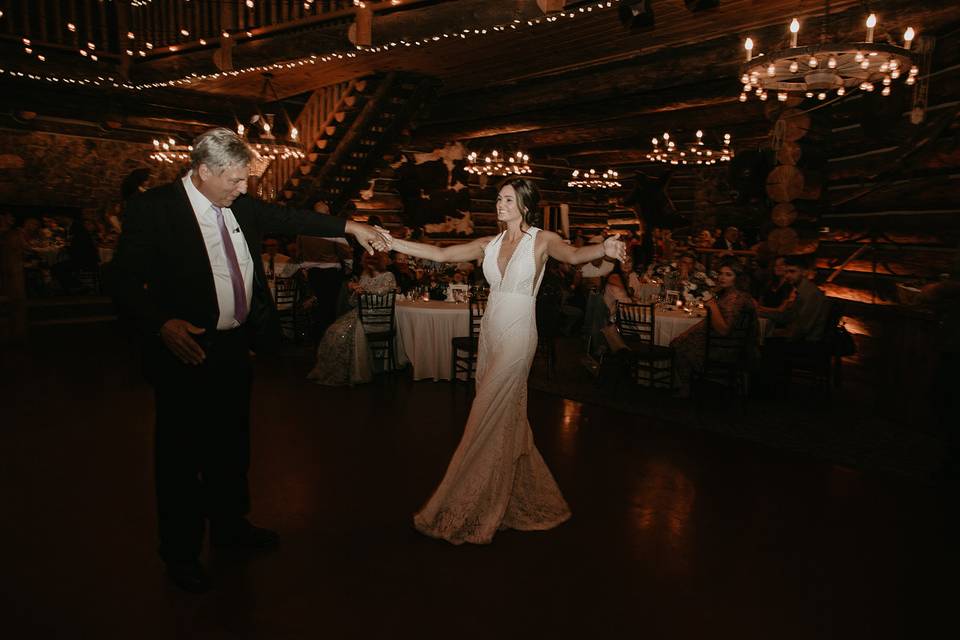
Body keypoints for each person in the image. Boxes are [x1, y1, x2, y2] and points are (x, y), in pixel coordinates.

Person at [109, 127, 387, 593]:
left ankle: (231, 528)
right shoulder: (153, 209)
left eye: (245, 181)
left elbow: (289, 215)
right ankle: (179, 554)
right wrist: (161, 324)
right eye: (236, 181)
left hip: (235, 347)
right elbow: (118, 279)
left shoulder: (240, 205)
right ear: (202, 172)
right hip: (186, 347)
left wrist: (351, 227)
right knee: (180, 456)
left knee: (231, 444)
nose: (243, 189)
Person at [378, 177, 627, 545]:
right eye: (498, 199)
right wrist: (392, 242)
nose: (500, 205)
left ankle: (463, 500)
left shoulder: (542, 240)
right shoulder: (488, 243)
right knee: (505, 415)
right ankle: (517, 495)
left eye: (508, 200)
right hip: (492, 334)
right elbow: (441, 254)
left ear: (525, 205)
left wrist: (604, 246)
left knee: (485, 413)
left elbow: (574, 256)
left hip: (518, 334)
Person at [307, 252, 397, 386]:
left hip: (377, 316)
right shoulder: (364, 275)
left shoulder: (388, 276)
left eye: (374, 259)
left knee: (340, 332)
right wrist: (354, 292)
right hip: (359, 313)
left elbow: (382, 295)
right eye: (368, 259)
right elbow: (353, 303)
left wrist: (364, 290)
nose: (370, 262)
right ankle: (335, 370)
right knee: (333, 331)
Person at [670, 258, 756, 397]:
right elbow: (708, 321)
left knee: (678, 345)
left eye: (728, 274)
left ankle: (687, 387)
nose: (722, 277)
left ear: (738, 278)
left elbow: (723, 330)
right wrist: (688, 333)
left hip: (727, 350)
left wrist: (712, 305)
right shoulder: (729, 294)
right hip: (726, 345)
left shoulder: (735, 298)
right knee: (681, 340)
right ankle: (690, 385)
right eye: (721, 273)